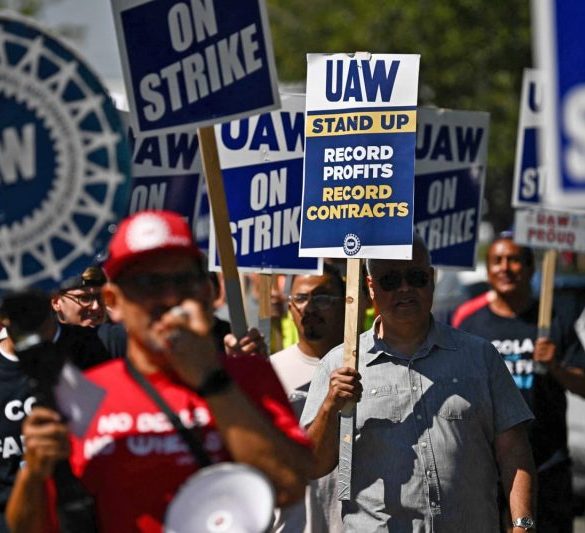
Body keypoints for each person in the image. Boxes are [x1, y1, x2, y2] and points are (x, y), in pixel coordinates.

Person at [6, 210, 312, 532]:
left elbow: (288, 486)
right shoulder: (83, 396)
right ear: (114, 302)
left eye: (183, 280)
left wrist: (211, 378)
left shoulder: (249, 377)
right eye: (146, 284)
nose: (168, 298)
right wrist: (35, 472)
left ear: (206, 292)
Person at [300, 235, 537, 532]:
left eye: (416, 277)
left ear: (432, 279)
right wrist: (330, 407)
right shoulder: (339, 364)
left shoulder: (480, 356)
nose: (405, 289)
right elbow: (312, 465)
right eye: (390, 280)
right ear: (371, 288)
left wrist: (523, 523)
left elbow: (514, 450)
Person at [454, 234, 585, 532]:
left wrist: (556, 367)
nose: (505, 268)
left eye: (514, 260)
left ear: (530, 268)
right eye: (497, 261)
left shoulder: (552, 320)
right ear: (488, 271)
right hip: (487, 470)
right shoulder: (469, 322)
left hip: (547, 466)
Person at [271, 264, 346, 532]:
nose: (310, 307)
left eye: (322, 298)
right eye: (301, 298)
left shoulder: (367, 366)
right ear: (290, 306)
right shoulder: (269, 372)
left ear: (346, 302)